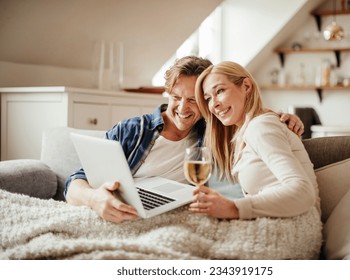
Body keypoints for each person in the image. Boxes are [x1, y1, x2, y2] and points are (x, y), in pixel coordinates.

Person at [65, 56, 305, 223]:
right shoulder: (133, 130)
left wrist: (284, 117)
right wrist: (93, 198)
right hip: (119, 209)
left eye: (193, 100)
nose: (182, 108)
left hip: (172, 215)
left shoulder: (212, 131)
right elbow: (75, 181)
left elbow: (248, 116)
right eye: (176, 97)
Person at [191, 61, 320, 220]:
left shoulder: (261, 127)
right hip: (280, 222)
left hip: (294, 226)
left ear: (246, 86)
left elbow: (303, 193)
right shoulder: (247, 130)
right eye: (208, 98)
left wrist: (233, 208)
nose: (214, 104)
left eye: (220, 91)